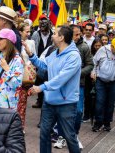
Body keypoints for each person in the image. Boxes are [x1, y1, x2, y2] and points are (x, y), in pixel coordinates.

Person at [25, 25, 82, 153]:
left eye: (55, 33)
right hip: (49, 102)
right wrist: (31, 55)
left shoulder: (74, 56)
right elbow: (44, 65)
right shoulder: (54, 53)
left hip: (66, 103)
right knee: (44, 134)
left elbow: (61, 79)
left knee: (69, 137)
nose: (52, 35)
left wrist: (41, 87)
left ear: (61, 38)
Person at [54, 25, 93, 149]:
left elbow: (90, 64)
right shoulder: (59, 47)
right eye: (75, 34)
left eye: (79, 34)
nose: (78, 36)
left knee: (78, 111)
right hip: (62, 85)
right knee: (61, 111)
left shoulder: (84, 47)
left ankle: (74, 135)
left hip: (78, 85)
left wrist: (78, 73)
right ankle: (61, 136)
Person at [0, 29, 24, 109]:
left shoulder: (17, 60)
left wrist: (7, 69)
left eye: (0, 38)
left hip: (7, 107)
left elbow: (16, 85)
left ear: (9, 41)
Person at [31, 14, 53, 108]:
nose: (43, 31)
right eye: (41, 28)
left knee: (47, 81)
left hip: (48, 61)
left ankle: (46, 100)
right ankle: (39, 100)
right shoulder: (36, 34)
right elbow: (33, 46)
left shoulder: (52, 35)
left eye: (45, 28)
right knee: (39, 80)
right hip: (38, 60)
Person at [17, 23, 36, 129]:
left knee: (23, 102)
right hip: (15, 75)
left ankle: (21, 126)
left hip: (25, 76)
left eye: (30, 31)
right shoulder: (15, 42)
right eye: (26, 31)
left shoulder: (31, 42)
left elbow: (34, 57)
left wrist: (29, 67)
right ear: (20, 32)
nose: (29, 34)